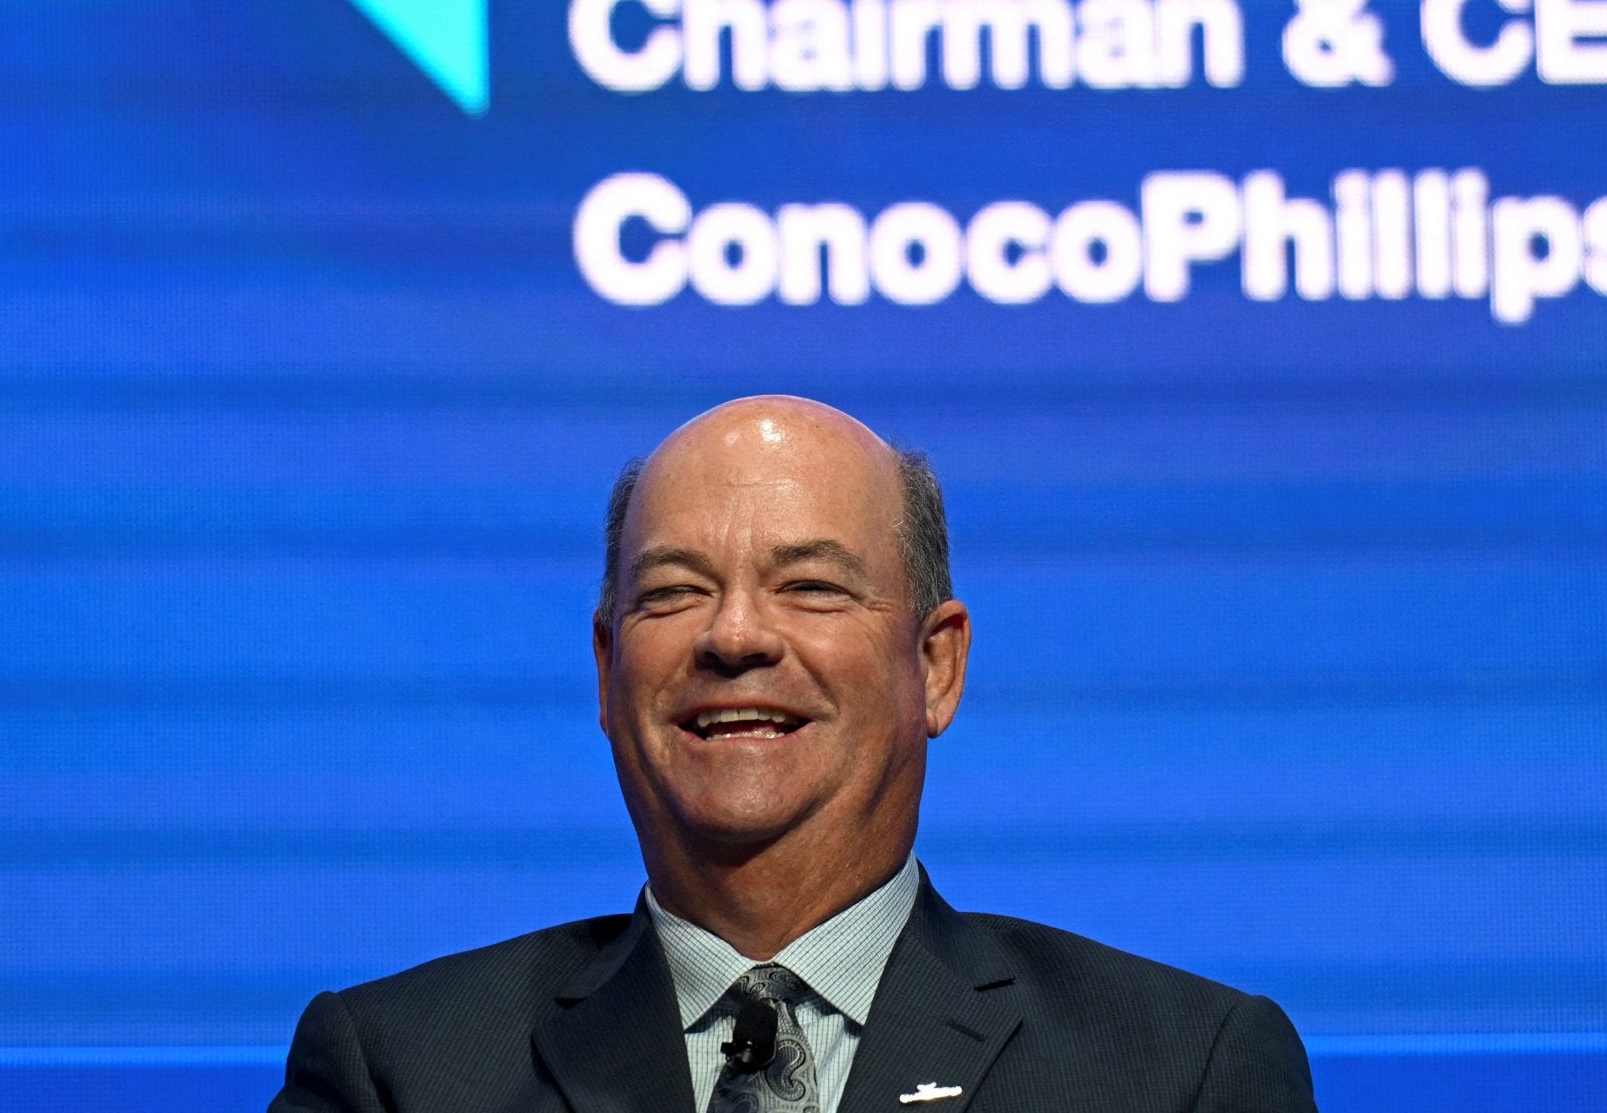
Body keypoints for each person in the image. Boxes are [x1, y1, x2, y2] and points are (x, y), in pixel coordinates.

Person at [270, 395, 1316, 1113]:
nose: (734, 635)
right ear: (607, 668)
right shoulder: (395, 1073)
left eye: (811, 586)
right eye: (673, 592)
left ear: (937, 665)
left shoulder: (1180, 1072)